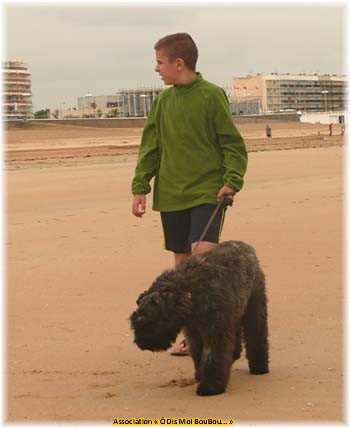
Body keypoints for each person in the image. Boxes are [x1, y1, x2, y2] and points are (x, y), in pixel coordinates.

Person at [131, 33, 248, 355]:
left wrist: (232, 179)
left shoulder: (211, 96)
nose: (156, 69)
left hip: (207, 192)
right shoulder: (164, 102)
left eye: (160, 62)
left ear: (178, 63)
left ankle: (220, 331)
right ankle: (192, 334)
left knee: (204, 262)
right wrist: (141, 186)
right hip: (171, 194)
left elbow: (232, 143)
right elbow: (150, 148)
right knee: (183, 268)